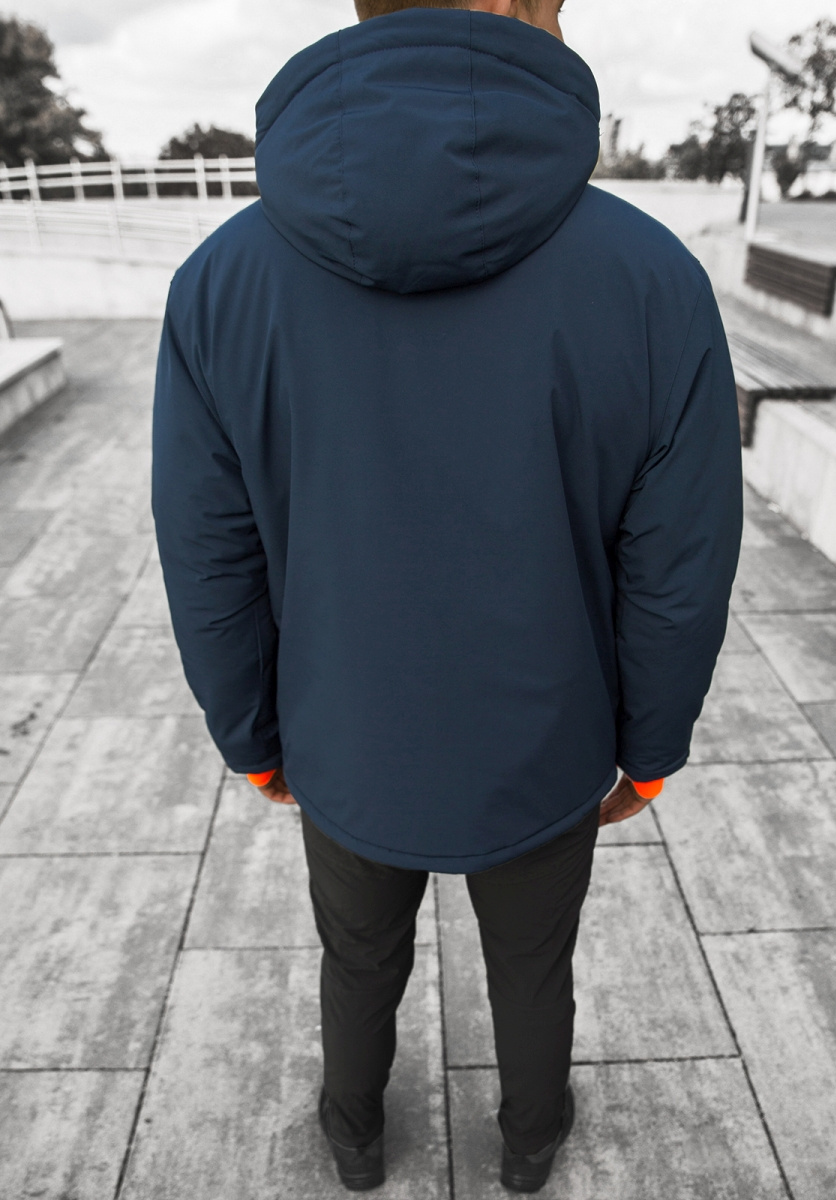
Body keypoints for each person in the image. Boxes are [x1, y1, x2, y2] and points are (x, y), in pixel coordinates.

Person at [152, 0, 743, 1191]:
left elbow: (206, 549)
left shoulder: (221, 280)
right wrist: (651, 748)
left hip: (343, 737)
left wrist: (251, 741)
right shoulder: (651, 276)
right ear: (521, 9)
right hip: (546, 741)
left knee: (356, 957)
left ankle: (354, 1134)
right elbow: (680, 561)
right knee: (533, 964)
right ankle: (531, 1142)